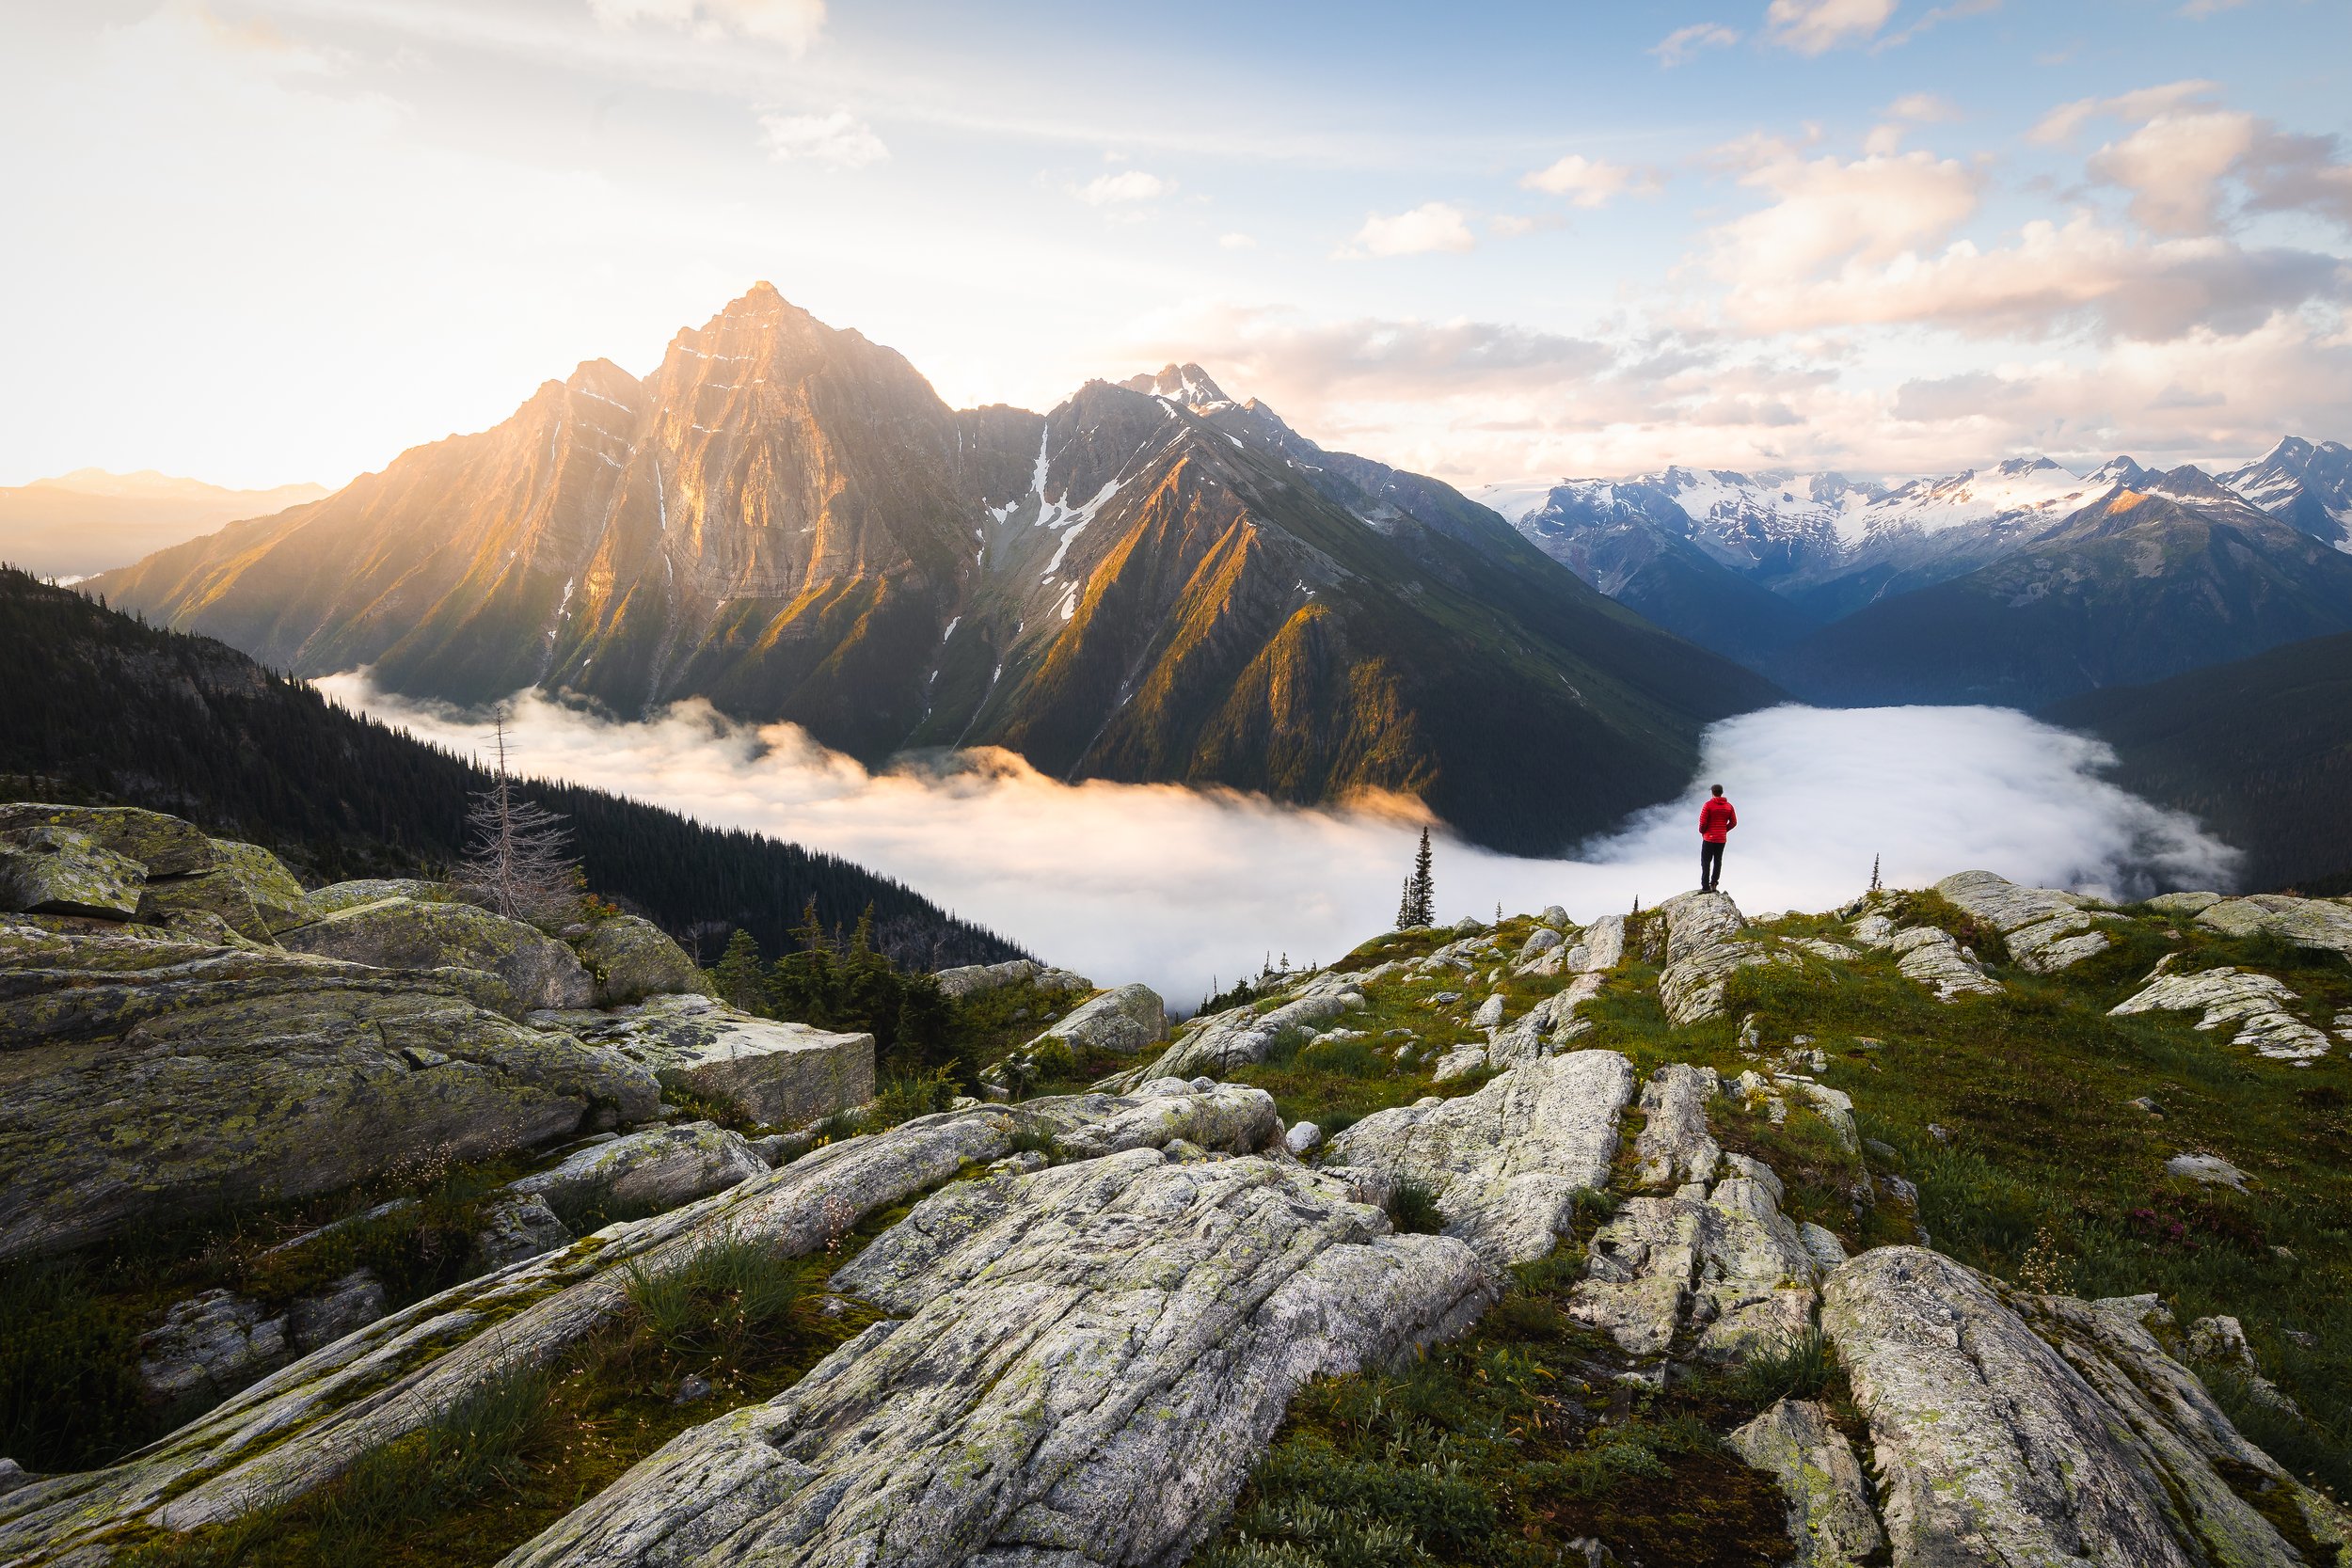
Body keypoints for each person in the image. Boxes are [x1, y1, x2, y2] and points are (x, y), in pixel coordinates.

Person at [1698, 784, 1736, 893]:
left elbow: (1703, 822)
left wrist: (1703, 831)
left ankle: (1705, 887)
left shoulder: (1708, 805)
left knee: (1705, 861)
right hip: (1721, 839)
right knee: (1718, 861)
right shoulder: (1729, 806)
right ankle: (1714, 884)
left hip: (1708, 838)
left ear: (1712, 792)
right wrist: (1724, 830)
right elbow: (1733, 822)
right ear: (1721, 792)